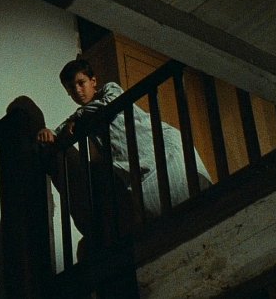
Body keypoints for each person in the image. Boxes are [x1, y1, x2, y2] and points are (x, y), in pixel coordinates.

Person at [37, 58, 211, 230]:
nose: (77, 90)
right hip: (136, 165)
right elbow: (60, 131)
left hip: (160, 145)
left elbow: (107, 104)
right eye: (71, 88)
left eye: (81, 83)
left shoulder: (109, 89)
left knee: (191, 187)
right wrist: (48, 131)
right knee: (159, 209)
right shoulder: (80, 117)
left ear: (93, 81)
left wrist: (78, 118)